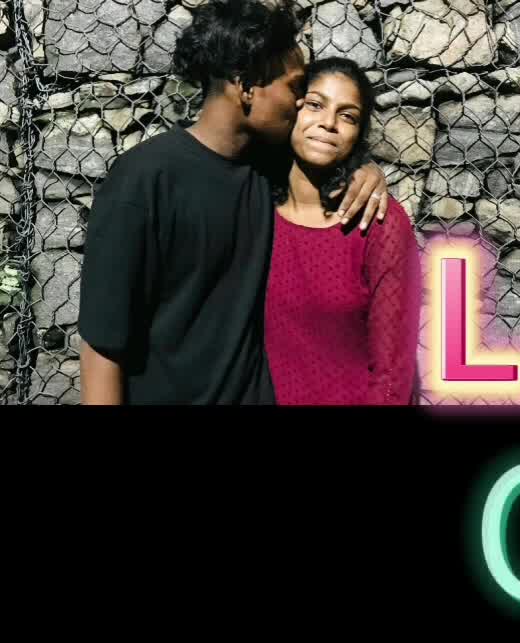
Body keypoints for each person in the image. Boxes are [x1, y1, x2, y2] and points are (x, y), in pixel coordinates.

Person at [78, 0, 389, 405]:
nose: (300, 103)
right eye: (294, 87)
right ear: (245, 86)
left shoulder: (270, 169)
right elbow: (103, 346)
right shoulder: (144, 180)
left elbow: (329, 156)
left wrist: (364, 169)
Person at [265, 57, 420, 406]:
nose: (329, 123)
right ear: (291, 109)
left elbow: (393, 374)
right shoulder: (252, 206)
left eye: (348, 116)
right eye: (315, 104)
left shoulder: (378, 223)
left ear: (358, 134)